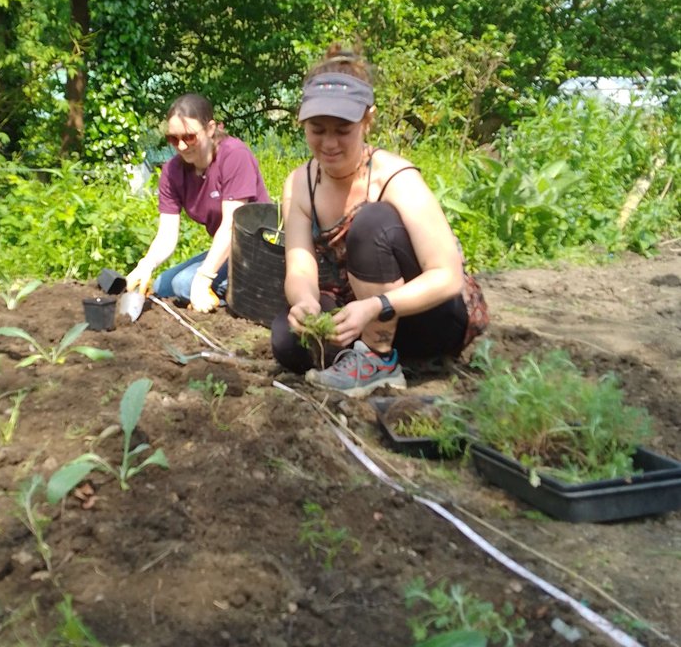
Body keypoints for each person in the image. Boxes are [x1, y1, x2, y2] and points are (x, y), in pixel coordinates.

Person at [273, 45, 483, 396]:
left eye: (342, 130)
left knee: (371, 223)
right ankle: (374, 357)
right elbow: (299, 267)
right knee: (287, 340)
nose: (328, 143)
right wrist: (304, 303)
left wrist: (375, 307)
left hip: (431, 314)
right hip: (363, 309)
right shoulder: (300, 183)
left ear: (367, 121)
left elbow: (447, 276)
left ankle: (379, 362)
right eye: (317, 129)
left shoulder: (393, 175)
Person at [125, 93, 272, 313]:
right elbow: (167, 233)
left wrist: (204, 276)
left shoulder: (234, 156)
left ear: (210, 128)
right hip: (228, 249)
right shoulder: (172, 171)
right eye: (173, 139)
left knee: (183, 284)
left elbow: (232, 225)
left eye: (189, 137)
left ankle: (259, 289)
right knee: (162, 285)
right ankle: (220, 288)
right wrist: (146, 264)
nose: (182, 146)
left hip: (257, 248)